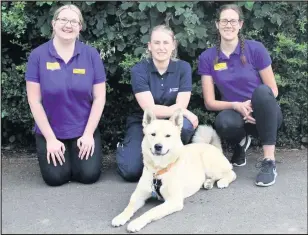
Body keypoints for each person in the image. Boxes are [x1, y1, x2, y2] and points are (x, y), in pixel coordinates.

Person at [198, 4, 283, 187]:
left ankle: (269, 161)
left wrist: (255, 107)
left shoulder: (256, 49)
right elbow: (209, 102)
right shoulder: (207, 57)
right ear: (217, 24)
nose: (228, 25)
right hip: (236, 113)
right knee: (223, 122)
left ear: (241, 24)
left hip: (265, 113)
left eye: (233, 21)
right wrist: (236, 105)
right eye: (224, 21)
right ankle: (241, 142)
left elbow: (272, 90)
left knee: (261, 91)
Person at [25, 4, 107, 186]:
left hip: (84, 130)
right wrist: (50, 139)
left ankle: (77, 156)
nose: (68, 25)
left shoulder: (91, 55)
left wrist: (88, 135)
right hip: (51, 131)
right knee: (56, 179)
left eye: (73, 21)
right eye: (63, 20)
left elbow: (100, 98)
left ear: (80, 27)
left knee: (88, 176)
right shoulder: (37, 56)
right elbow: (34, 100)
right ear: (54, 23)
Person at [116, 25, 198, 182]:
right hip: (144, 122)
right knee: (130, 171)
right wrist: (184, 112)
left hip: (169, 123)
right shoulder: (139, 70)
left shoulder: (183, 68)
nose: (161, 47)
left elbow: (182, 104)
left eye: (166, 43)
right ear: (149, 46)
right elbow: (150, 110)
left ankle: (174, 162)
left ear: (173, 45)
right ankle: (125, 147)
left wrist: (182, 111)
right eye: (157, 43)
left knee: (185, 127)